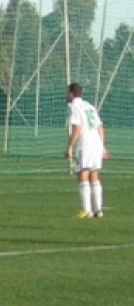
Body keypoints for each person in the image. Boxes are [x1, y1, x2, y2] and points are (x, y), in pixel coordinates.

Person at [65, 82, 108, 218]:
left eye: (67, 92)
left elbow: (77, 128)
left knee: (82, 174)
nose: (66, 95)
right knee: (94, 174)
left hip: (85, 144)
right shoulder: (90, 106)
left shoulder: (74, 107)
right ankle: (98, 210)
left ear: (71, 94)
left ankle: (87, 210)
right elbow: (100, 127)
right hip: (96, 143)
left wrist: (69, 147)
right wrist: (103, 146)